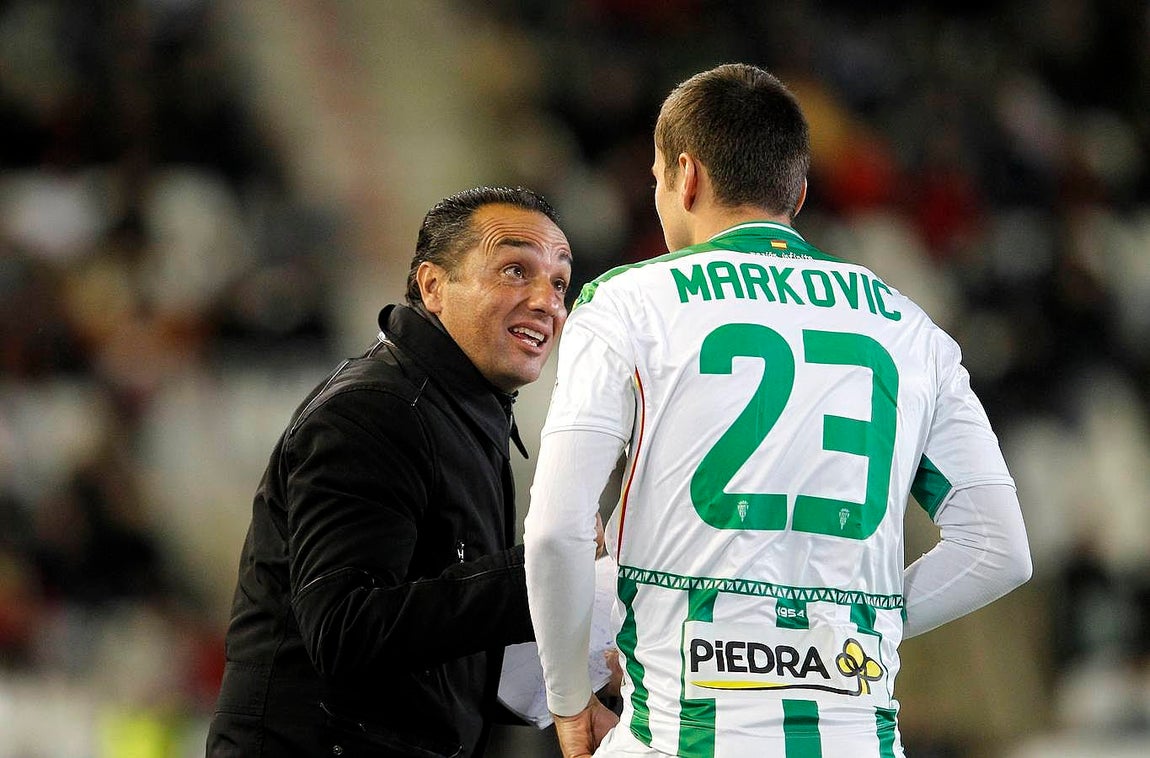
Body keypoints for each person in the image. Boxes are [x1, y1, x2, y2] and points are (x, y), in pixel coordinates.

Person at [524, 64, 1032, 758]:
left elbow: (556, 531)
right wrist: (844, 635)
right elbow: (999, 550)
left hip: (679, 736)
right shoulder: (911, 327)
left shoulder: (626, 304)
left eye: (657, 180)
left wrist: (568, 700)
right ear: (797, 191)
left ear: (685, 177)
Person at [207, 186, 573, 757]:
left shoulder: (461, 414)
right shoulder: (375, 412)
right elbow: (344, 628)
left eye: (559, 283)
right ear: (433, 286)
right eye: (514, 270)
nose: (546, 301)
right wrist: (536, 574)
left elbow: (432, 641)